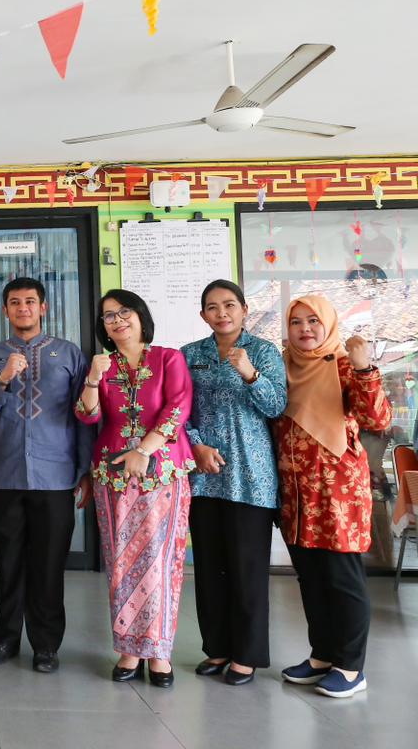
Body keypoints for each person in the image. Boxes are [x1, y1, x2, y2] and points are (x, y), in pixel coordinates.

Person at [0, 277, 92, 674]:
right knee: (8, 563)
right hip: (5, 476)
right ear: (5, 310)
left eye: (29, 301)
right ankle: (4, 638)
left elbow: (84, 416)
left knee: (48, 565)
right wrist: (3, 377)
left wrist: (85, 470)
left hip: (55, 477)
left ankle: (46, 645)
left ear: (43, 308)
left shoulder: (69, 353)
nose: (22, 308)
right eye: (14, 302)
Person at [76, 289, 193, 689]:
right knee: (122, 563)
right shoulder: (101, 365)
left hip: (162, 471)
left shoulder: (168, 358)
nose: (117, 320)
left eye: (124, 312)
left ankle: (159, 651)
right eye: (108, 315)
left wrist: (144, 450)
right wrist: (93, 379)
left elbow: (178, 407)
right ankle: (128, 649)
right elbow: (87, 415)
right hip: (113, 475)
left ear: (141, 316)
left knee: (161, 561)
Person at [276, 295, 390, 698]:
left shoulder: (343, 365)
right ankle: (322, 656)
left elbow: (376, 418)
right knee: (311, 578)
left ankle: (351, 667)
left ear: (328, 324)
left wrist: (364, 367)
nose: (305, 329)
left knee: (343, 579)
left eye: (313, 320)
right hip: (295, 493)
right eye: (296, 322)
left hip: (337, 492)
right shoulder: (281, 366)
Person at [181, 280, 287, 686]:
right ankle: (218, 648)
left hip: (250, 476)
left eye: (229, 305)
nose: (221, 313)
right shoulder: (190, 355)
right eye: (212, 307)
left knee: (246, 570)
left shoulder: (263, 351)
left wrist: (250, 374)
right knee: (210, 568)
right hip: (205, 476)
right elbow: (178, 411)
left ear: (244, 309)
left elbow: (276, 406)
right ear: (203, 314)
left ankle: (246, 654)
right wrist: (196, 446)